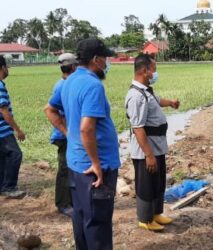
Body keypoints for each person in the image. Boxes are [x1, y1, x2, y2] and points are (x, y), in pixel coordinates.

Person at [44, 38, 120, 250]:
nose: (106, 64)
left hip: (76, 164)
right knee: (98, 224)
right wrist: (96, 163)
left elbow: (49, 109)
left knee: (81, 218)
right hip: (95, 168)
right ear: (96, 60)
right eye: (105, 59)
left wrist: (68, 133)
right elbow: (87, 128)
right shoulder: (92, 84)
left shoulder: (68, 81)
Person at [125, 54, 180, 231]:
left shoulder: (146, 91)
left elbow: (156, 102)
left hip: (157, 146)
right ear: (144, 70)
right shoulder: (136, 96)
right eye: (153, 69)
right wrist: (148, 155)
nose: (155, 73)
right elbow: (138, 127)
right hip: (146, 150)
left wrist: (170, 103)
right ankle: (145, 219)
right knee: (146, 184)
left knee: (158, 181)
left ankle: (156, 214)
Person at [49, 53, 78, 217]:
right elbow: (54, 112)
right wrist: (67, 133)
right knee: (65, 169)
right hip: (65, 136)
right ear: (73, 67)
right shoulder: (63, 86)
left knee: (71, 168)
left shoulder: (67, 84)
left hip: (69, 135)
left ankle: (71, 199)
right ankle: (63, 203)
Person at [0, 55, 26, 199]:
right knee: (15, 154)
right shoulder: (0, 85)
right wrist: (18, 130)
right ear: (3, 68)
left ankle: (2, 185)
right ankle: (9, 187)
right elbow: (4, 111)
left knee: (3, 157)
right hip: (2, 130)